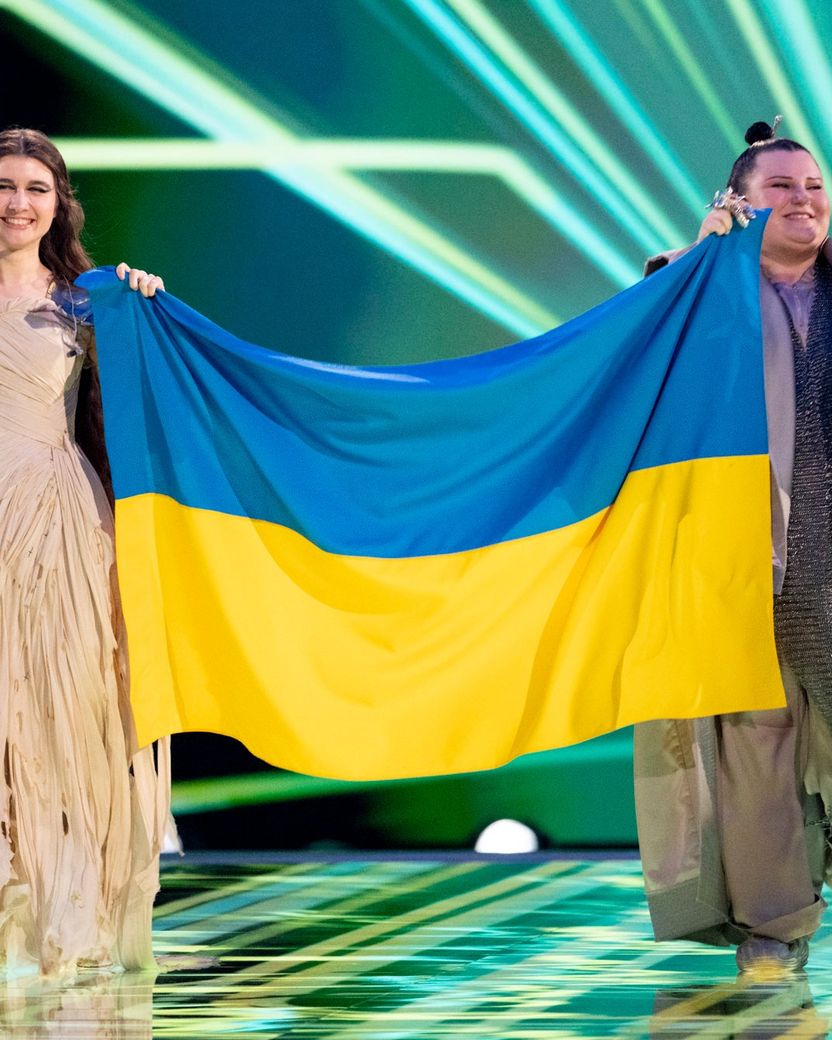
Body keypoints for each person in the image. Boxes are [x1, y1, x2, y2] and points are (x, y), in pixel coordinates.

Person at [636, 119, 832, 973]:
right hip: (741, 565)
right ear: (736, 207)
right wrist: (700, 254)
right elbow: (634, 340)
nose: (803, 199)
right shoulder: (688, 294)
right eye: (779, 187)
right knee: (757, 744)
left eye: (814, 185)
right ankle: (776, 925)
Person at [0, 126, 169, 975]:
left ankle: (56, 913)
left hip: (57, 525)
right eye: (3, 185)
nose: (16, 202)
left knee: (63, 717)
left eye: (35, 187)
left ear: (57, 203)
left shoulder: (83, 301)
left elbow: (151, 386)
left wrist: (140, 302)